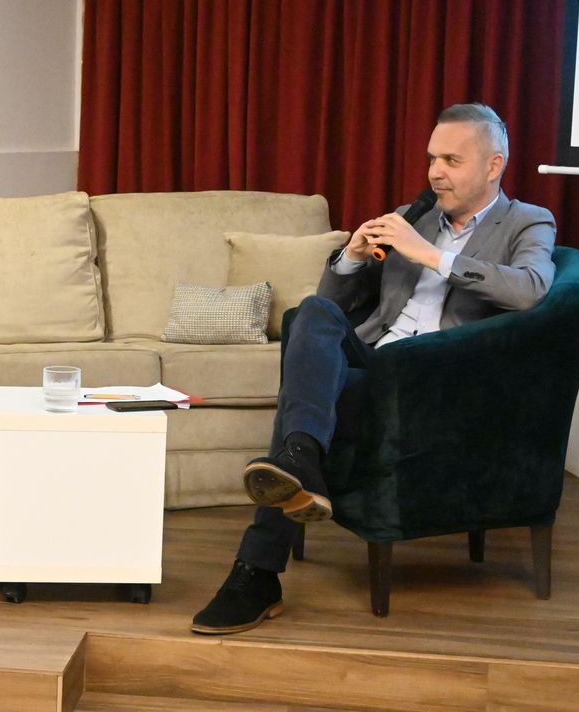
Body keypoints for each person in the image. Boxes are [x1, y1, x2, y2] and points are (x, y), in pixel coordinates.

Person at [191, 103, 556, 634]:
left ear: (493, 165)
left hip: (440, 380)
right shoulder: (415, 215)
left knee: (304, 402)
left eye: (451, 160)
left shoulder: (527, 220)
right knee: (312, 313)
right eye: (432, 159)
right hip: (379, 361)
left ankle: (258, 570)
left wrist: (431, 255)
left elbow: (530, 290)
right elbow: (335, 302)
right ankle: (300, 461)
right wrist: (354, 257)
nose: (435, 173)